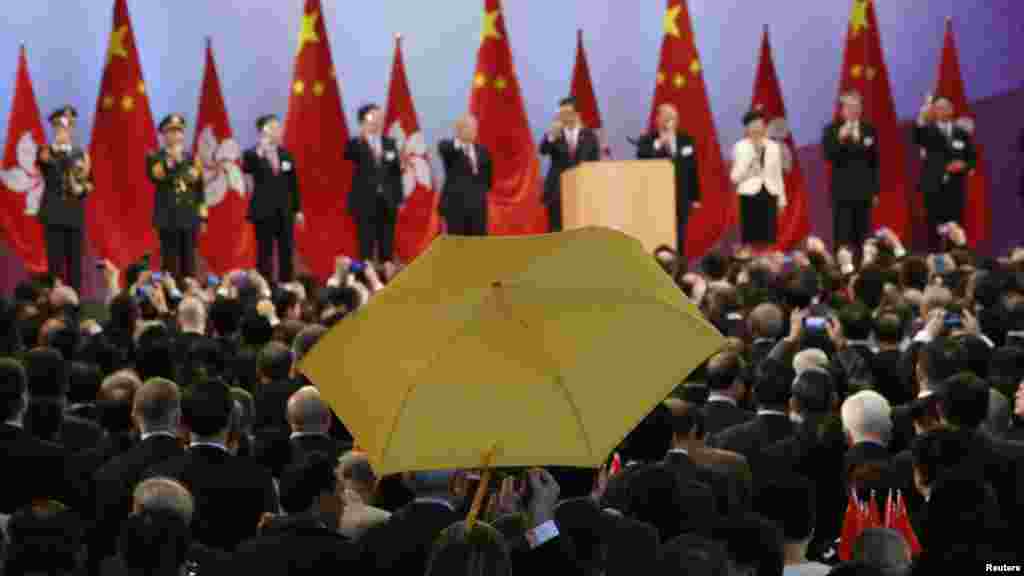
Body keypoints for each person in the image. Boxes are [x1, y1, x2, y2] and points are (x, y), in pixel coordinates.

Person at [36, 106, 92, 291]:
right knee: (55, 263)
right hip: (53, 214)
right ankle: (56, 302)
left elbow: (90, 183)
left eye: (69, 127)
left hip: (74, 215)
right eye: (61, 127)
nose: (65, 131)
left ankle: (75, 303)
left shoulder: (82, 154)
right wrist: (60, 148)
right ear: (54, 128)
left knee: (75, 263)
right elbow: (50, 165)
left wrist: (80, 189)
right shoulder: (45, 151)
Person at [243, 114, 303, 283]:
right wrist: (261, 151)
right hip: (263, 211)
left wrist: (297, 209)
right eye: (274, 127)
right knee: (265, 252)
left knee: (287, 250)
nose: (279, 131)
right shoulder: (251, 154)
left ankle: (287, 284)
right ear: (263, 130)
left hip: (285, 211)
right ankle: (266, 286)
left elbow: (293, 184)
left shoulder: (285, 155)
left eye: (279, 127)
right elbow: (247, 170)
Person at [636, 103, 700, 258]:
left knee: (680, 238)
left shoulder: (686, 140)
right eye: (665, 118)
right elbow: (642, 160)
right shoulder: (647, 140)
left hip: (681, 197)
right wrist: (659, 145)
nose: (669, 122)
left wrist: (695, 197)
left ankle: (679, 272)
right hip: (655, 198)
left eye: (672, 118)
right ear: (657, 120)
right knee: (656, 239)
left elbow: (692, 169)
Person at [913, 95, 976, 251]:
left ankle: (957, 260)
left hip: (955, 189)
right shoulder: (927, 131)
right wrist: (923, 113)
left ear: (952, 109)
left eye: (946, 107)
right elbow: (917, 137)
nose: (943, 110)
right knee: (934, 229)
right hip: (933, 189)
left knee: (956, 228)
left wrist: (964, 166)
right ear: (933, 111)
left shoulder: (962, 132)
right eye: (939, 107)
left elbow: (972, 158)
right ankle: (936, 262)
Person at [147, 114, 206, 279]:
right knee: (170, 263)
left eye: (179, 131)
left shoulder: (193, 158)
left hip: (189, 217)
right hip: (168, 218)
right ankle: (171, 298)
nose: (176, 136)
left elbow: (199, 189)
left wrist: (202, 217)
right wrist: (172, 159)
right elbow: (156, 176)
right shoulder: (155, 157)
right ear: (164, 135)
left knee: (189, 263)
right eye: (171, 132)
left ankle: (188, 298)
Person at [345, 103, 402, 266]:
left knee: (387, 246)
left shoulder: (390, 143)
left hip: (387, 202)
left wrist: (398, 199)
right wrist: (363, 135)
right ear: (364, 121)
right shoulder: (355, 144)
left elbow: (395, 173)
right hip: (364, 202)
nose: (378, 120)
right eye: (374, 117)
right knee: (365, 247)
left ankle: (387, 282)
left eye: (380, 117)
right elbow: (349, 156)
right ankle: (367, 282)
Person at [823, 91, 879, 250]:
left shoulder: (869, 129)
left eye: (857, 106)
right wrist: (840, 139)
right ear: (842, 110)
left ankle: (864, 269)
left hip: (864, 192)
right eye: (849, 106)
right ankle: (844, 270)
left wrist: (874, 191)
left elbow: (874, 162)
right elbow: (829, 156)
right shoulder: (832, 130)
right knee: (843, 236)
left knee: (863, 236)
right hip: (842, 192)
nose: (854, 110)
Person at [540, 97, 601, 232]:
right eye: (561, 114)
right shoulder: (555, 134)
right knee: (556, 231)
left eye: (567, 114)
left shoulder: (589, 136)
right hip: (557, 191)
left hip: (581, 191)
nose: (563, 118)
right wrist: (551, 135)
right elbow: (543, 150)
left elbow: (594, 163)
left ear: (577, 114)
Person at [731, 109, 786, 251]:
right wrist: (751, 156)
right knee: (751, 239)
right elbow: (735, 177)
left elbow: (777, 175)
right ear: (747, 128)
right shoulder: (740, 147)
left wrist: (781, 200)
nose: (757, 127)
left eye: (760, 123)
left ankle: (767, 267)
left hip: (769, 193)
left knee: (769, 238)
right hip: (749, 194)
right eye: (753, 124)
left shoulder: (773, 147)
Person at [438, 114, 492, 236]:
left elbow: (488, 180)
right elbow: (445, 149)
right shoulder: (448, 147)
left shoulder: (483, 151)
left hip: (478, 210)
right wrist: (460, 140)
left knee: (477, 246)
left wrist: (478, 195)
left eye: (475, 127)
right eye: (471, 128)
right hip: (455, 209)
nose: (475, 131)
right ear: (460, 129)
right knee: (457, 247)